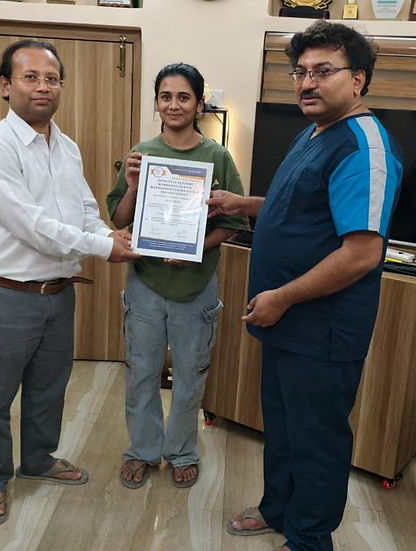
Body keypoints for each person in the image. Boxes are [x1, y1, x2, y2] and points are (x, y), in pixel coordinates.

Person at [207, 21, 402, 551]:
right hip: (284, 323)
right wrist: (242, 205)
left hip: (322, 331)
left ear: (358, 80)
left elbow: (362, 253)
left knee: (316, 439)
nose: (307, 83)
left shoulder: (363, 145)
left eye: (323, 71)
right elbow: (297, 207)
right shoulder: (313, 132)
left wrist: (282, 296)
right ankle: (278, 511)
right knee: (284, 426)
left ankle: (309, 539)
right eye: (300, 72)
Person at [0, 39, 138, 525]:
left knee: (49, 389)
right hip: (7, 295)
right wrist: (106, 247)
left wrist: (108, 231)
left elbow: (83, 207)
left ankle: (37, 460)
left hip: (59, 295)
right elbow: (31, 225)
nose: (43, 86)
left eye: (52, 78)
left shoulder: (67, 146)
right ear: (5, 86)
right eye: (30, 77)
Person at [106, 63, 249, 489]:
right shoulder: (142, 152)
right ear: (156, 103)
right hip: (145, 284)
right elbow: (117, 218)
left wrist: (196, 251)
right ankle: (142, 450)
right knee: (141, 371)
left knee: (191, 375)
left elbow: (235, 223)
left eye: (183, 97)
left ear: (199, 103)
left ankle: (183, 450)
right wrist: (133, 185)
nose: (174, 104)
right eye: (165, 96)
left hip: (196, 286)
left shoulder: (218, 156)